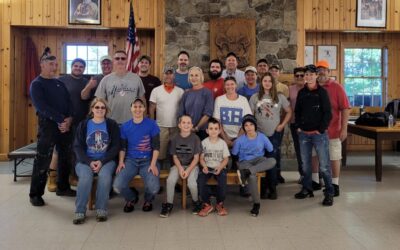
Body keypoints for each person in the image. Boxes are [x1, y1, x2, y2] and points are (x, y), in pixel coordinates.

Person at [29, 47, 75, 207]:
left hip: (65, 127)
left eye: (56, 64)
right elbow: (41, 106)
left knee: (65, 158)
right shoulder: (37, 84)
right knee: (43, 160)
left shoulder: (59, 83)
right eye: (51, 64)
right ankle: (35, 194)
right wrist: (61, 120)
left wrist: (68, 119)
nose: (54, 67)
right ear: (42, 64)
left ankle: (63, 187)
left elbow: (69, 102)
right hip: (48, 127)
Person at [72, 98, 120, 224]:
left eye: (102, 107)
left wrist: (102, 162)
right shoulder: (83, 125)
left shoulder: (112, 125)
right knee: (86, 177)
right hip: (85, 160)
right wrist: (89, 162)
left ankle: (101, 209)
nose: (100, 110)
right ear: (92, 109)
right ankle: (80, 211)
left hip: (106, 160)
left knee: (105, 176)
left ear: (106, 110)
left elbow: (115, 147)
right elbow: (77, 147)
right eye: (97, 107)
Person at [294, 64, 334, 206]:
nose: (308, 77)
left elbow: (328, 113)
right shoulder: (301, 93)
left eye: (311, 74)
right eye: (306, 75)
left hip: (319, 135)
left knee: (324, 166)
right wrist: (298, 126)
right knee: (305, 165)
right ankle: (307, 188)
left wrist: (321, 129)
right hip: (304, 134)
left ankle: (329, 192)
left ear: (316, 76)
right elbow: (297, 111)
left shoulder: (322, 92)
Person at [249, 72, 292, 200]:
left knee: (271, 161)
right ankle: (262, 188)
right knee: (260, 161)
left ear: (273, 83)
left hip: (274, 134)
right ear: (261, 83)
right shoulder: (255, 97)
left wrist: (282, 124)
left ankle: (272, 188)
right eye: (265, 81)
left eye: (269, 81)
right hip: (259, 135)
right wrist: (253, 130)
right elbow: (250, 115)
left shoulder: (279, 97)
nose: (267, 83)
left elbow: (289, 111)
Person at [113, 98, 160, 212]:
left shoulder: (152, 124)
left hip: (148, 160)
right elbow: (123, 147)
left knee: (154, 188)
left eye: (140, 106)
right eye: (135, 106)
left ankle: (148, 199)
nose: (138, 109)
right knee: (117, 186)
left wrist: (153, 164)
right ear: (131, 109)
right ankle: (132, 198)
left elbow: (156, 147)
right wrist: (121, 162)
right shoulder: (125, 126)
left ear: (144, 109)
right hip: (130, 160)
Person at [311, 60, 351, 196]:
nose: (321, 72)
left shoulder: (336, 87)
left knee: (334, 157)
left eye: (324, 70)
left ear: (329, 72)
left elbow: (345, 108)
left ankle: (335, 184)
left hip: (333, 131)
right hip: (314, 131)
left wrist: (344, 129)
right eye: (318, 70)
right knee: (314, 155)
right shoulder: (311, 87)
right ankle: (315, 181)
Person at [213, 76, 252, 197]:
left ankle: (243, 185)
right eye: (227, 85)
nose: (230, 87)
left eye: (232, 84)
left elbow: (246, 120)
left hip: (239, 136)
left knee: (242, 161)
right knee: (217, 161)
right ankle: (217, 186)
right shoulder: (219, 100)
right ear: (224, 87)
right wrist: (225, 139)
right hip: (223, 136)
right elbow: (217, 121)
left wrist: (238, 139)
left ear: (236, 86)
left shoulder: (243, 100)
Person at [232, 114, 276, 216]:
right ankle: (256, 204)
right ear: (243, 127)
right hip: (245, 162)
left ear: (255, 126)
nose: (249, 127)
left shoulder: (262, 137)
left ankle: (248, 172)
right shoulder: (240, 140)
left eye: (251, 124)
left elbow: (271, 150)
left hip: (259, 160)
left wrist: (260, 164)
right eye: (246, 125)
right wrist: (239, 166)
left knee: (273, 160)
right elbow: (234, 155)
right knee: (252, 177)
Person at [159, 115, 202, 217]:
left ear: (192, 125)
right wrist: (181, 168)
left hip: (192, 166)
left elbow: (196, 159)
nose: (186, 125)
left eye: (188, 123)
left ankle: (196, 202)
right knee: (170, 180)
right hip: (178, 165)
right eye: (183, 122)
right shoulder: (174, 138)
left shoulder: (195, 139)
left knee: (191, 183)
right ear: (179, 125)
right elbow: (174, 157)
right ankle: (169, 204)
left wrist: (187, 171)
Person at [95, 50, 145, 124]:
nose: (120, 60)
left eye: (123, 58)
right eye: (117, 58)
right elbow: (99, 102)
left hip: (133, 121)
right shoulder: (105, 79)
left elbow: (142, 99)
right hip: (111, 122)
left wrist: (143, 118)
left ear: (127, 61)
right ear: (113, 61)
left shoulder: (136, 78)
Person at [149, 66, 184, 168]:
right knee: (160, 154)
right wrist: (153, 124)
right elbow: (151, 108)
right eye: (166, 73)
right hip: (161, 127)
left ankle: (175, 177)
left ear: (174, 75)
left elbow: (183, 108)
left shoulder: (180, 91)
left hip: (176, 127)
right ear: (163, 75)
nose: (168, 75)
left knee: (175, 154)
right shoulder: (156, 90)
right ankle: (159, 177)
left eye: (170, 73)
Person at [198, 118, 230, 217]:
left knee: (222, 182)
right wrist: (204, 166)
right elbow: (201, 158)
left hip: (219, 167)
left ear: (219, 130)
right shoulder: (204, 142)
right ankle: (207, 204)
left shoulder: (222, 143)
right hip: (207, 167)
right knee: (200, 181)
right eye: (211, 128)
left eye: (216, 128)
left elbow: (226, 159)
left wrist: (220, 167)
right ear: (207, 130)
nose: (213, 131)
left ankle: (220, 204)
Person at [178, 66, 214, 140]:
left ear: (201, 77)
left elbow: (208, 114)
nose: (194, 78)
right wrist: (186, 127)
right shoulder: (186, 93)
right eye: (191, 75)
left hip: (202, 131)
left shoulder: (207, 93)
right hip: (187, 130)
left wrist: (197, 127)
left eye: (196, 75)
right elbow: (181, 113)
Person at [268, 63, 289, 183]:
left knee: (277, 149)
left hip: (279, 123)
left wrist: (282, 123)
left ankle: (277, 172)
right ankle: (270, 174)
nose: (274, 73)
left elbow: (286, 108)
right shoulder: (264, 86)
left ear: (279, 73)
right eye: (271, 71)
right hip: (267, 123)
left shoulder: (284, 88)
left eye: (276, 71)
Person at [288, 67, 306, 182]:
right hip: (294, 123)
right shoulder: (290, 89)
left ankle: (315, 174)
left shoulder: (310, 87)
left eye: (302, 75)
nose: (299, 77)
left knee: (311, 150)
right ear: (294, 77)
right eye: (297, 75)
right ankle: (302, 174)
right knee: (299, 149)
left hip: (309, 124)